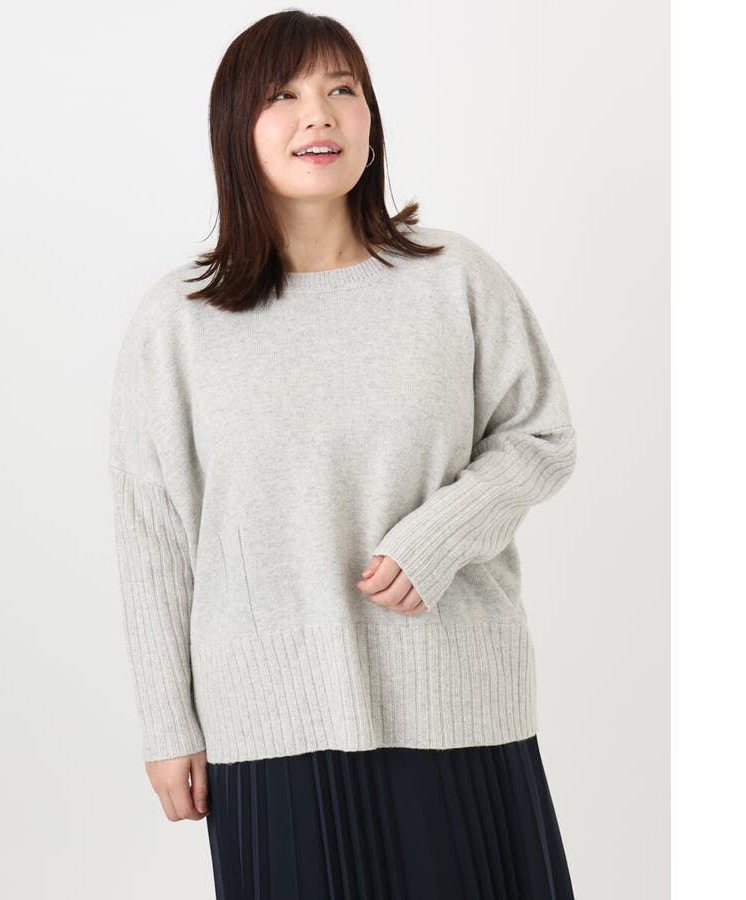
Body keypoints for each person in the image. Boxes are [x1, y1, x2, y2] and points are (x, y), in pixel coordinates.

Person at [108, 10, 577, 899]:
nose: (317, 114)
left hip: (454, 706)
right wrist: (169, 724)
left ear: (370, 118)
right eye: (282, 96)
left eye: (341, 89)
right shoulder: (181, 321)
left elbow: (540, 435)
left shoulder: (454, 276)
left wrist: (438, 537)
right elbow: (154, 535)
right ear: (235, 127)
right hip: (270, 725)